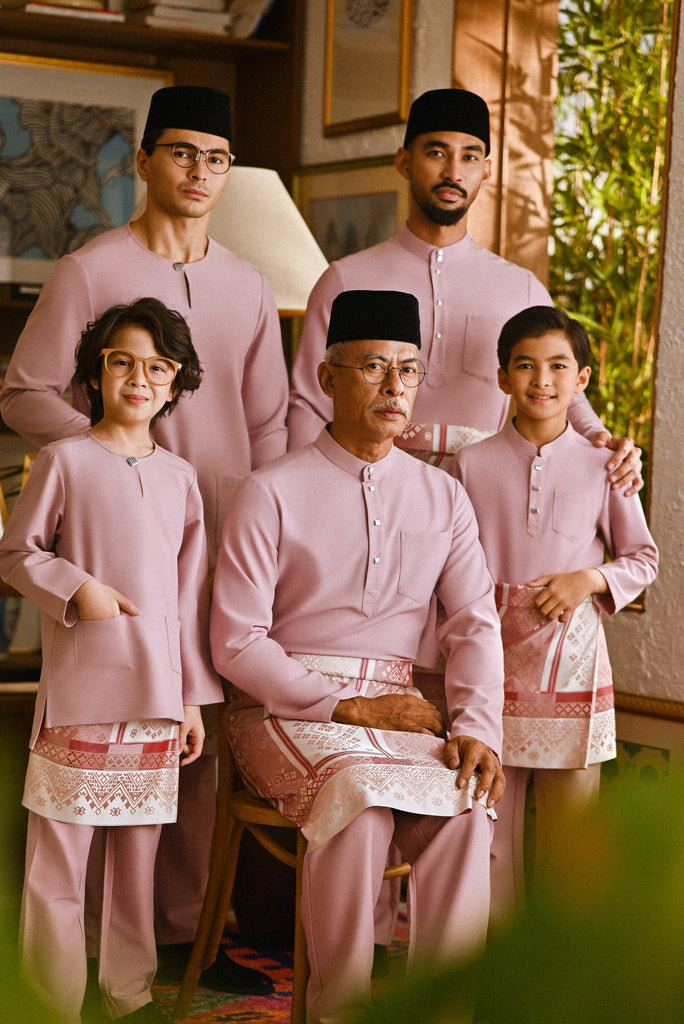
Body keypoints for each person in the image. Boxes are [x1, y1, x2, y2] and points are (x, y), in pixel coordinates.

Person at [0, 85, 287, 992]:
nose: (199, 171)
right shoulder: (89, 270)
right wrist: (108, 458)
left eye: (216, 157)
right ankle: (76, 954)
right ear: (145, 160)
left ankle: (182, 938)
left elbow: (270, 423)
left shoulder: (249, 284)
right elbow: (22, 393)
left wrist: (269, 529)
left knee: (196, 730)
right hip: (117, 548)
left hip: (223, 535)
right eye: (182, 152)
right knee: (105, 734)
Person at [210, 289, 506, 1024]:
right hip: (284, 708)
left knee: (467, 805)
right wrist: (347, 707)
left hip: (400, 713)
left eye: (408, 369)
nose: (394, 386)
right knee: (360, 798)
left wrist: (479, 730)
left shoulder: (444, 497)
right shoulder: (269, 491)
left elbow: (474, 624)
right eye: (373, 367)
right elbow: (237, 641)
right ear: (327, 377)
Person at [0, 298, 224, 1024]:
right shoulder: (64, 460)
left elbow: (188, 600)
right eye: (122, 361)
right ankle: (48, 1003)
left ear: (176, 382)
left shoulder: (182, 479)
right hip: (80, 693)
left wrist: (191, 699)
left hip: (156, 697)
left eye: (157, 367)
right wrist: (77, 587)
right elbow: (17, 553)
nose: (139, 378)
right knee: (58, 865)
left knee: (136, 863)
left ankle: (128, 997)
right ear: (95, 373)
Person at [287, 87, 641, 494]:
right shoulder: (346, 279)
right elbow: (309, 403)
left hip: (484, 494)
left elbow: (560, 385)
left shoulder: (521, 288)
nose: (453, 172)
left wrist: (601, 440)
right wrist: (304, 492)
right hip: (365, 487)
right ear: (404, 161)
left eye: (470, 157)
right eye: (436, 153)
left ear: (486, 170)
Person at [450, 305, 658, 924]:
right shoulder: (469, 464)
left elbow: (643, 558)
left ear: (582, 378)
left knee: (570, 843)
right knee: (486, 834)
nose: (542, 380)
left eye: (558, 366)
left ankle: (559, 971)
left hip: (573, 670)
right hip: (488, 667)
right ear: (503, 376)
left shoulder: (606, 466)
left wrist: (588, 579)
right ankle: (489, 971)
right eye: (525, 366)